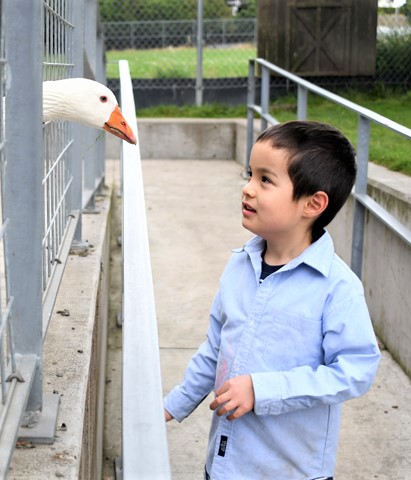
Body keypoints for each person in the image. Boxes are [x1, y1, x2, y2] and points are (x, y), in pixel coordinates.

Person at [163, 120, 381, 479]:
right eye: (250, 174)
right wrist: (172, 406)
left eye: (265, 179)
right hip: (224, 465)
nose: (247, 189)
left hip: (290, 470)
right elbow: (216, 348)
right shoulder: (239, 265)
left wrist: (262, 390)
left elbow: (356, 370)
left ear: (313, 204)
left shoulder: (337, 288)